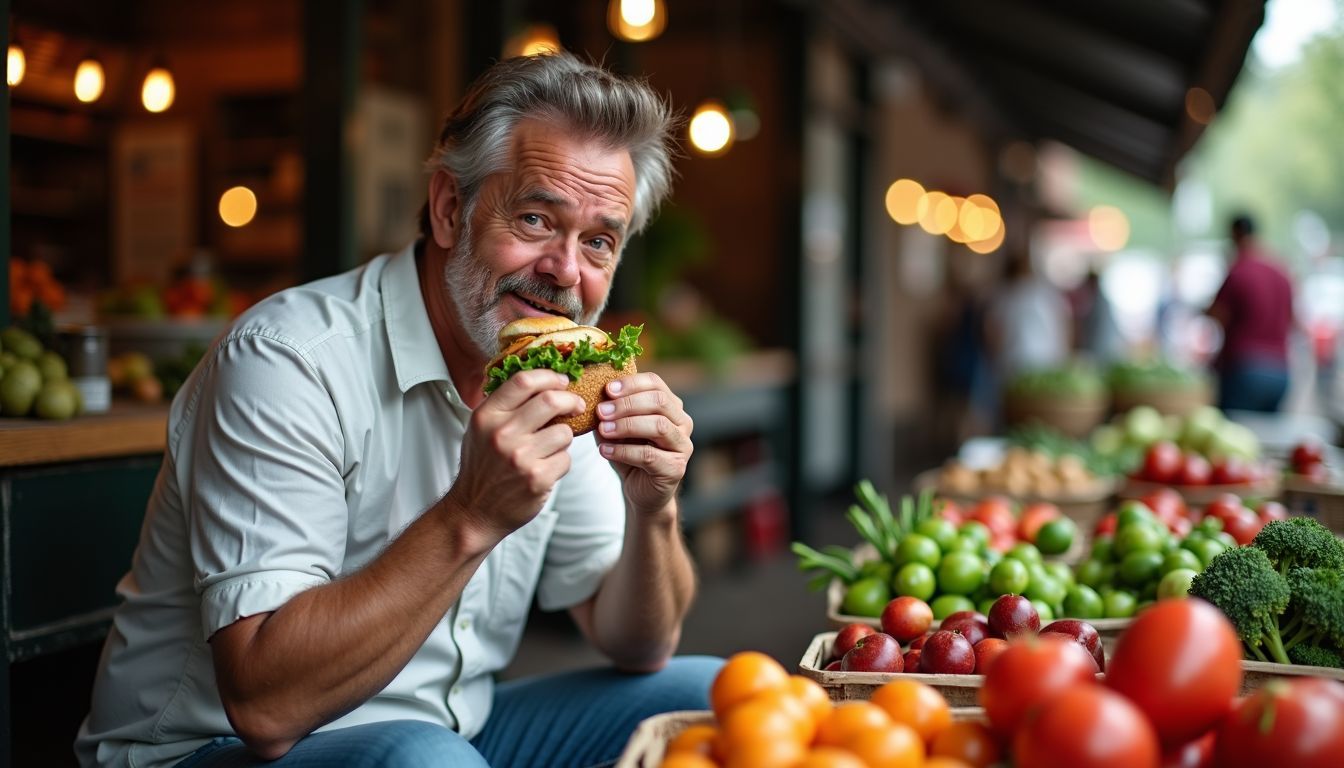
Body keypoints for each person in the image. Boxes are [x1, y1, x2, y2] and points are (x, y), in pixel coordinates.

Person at [76, 52, 721, 768]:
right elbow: (264, 704)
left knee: (709, 697)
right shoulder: (288, 359)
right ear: (451, 208)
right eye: (537, 218)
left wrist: (653, 508)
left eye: (599, 240)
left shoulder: (559, 379)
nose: (567, 270)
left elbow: (639, 642)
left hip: (451, 738)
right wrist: (471, 515)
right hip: (210, 748)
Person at [1207, 213, 1295, 412]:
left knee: (1233, 435)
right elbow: (1293, 320)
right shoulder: (1281, 271)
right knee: (1266, 438)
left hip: (1244, 369)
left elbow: (1218, 315)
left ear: (1236, 235)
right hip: (1281, 372)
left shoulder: (1239, 271)